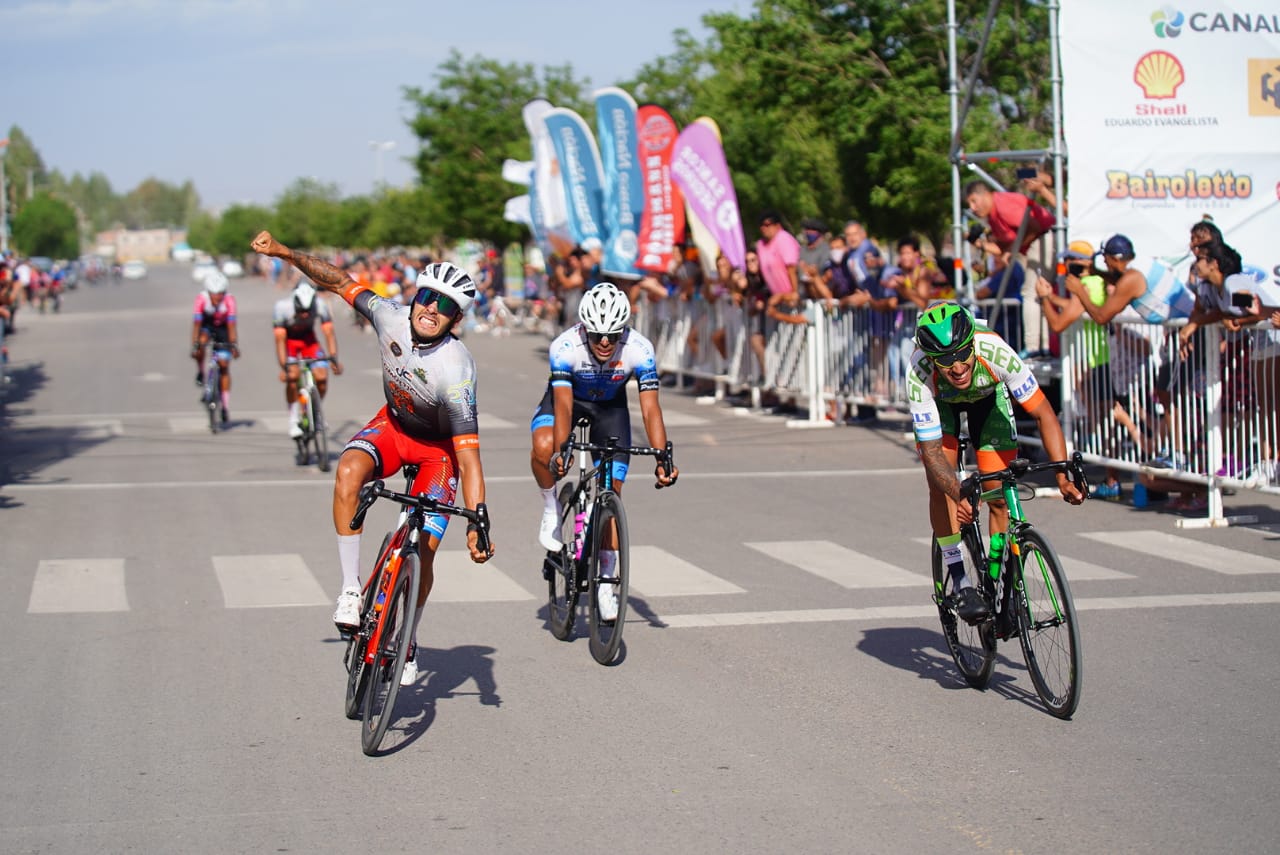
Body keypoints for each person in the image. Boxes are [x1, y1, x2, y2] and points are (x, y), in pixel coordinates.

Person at [250, 231, 494, 688]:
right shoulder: (389, 316)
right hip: (394, 429)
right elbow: (338, 280)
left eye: (444, 306)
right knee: (347, 471)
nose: (430, 309)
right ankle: (348, 590)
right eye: (426, 297)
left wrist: (478, 518)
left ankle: (409, 638)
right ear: (415, 295)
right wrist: (285, 252)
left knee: (424, 551)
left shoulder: (457, 370)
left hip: (438, 454)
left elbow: (469, 458)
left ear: (456, 318)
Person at [908, 302, 1084, 622]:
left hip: (988, 402)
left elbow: (1044, 413)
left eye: (962, 354)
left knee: (998, 492)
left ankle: (998, 578)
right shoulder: (919, 370)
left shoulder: (995, 352)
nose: (957, 366)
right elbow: (932, 453)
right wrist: (956, 491)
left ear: (973, 343)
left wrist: (1062, 476)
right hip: (942, 407)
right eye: (945, 361)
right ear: (931, 359)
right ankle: (960, 579)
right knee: (939, 484)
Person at [529, 283, 679, 621]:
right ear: (584, 327)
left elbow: (651, 409)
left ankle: (606, 584)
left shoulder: (640, 348)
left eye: (613, 334)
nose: (606, 342)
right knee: (544, 447)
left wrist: (662, 457)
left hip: (610, 411)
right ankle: (552, 508)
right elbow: (564, 407)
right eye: (597, 335)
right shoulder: (565, 347)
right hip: (567, 402)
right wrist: (562, 449)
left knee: (611, 493)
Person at [274, 279, 342, 444]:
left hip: (309, 341)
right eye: (301, 311)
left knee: (321, 378)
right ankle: (293, 419)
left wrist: (333, 357)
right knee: (292, 378)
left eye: (307, 311)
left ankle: (316, 412)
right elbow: (280, 340)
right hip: (290, 342)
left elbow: (329, 333)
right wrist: (284, 367)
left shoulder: (320, 305)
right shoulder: (282, 308)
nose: (305, 315)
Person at [190, 271, 239, 426]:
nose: (217, 297)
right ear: (208, 292)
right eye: (214, 294)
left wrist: (233, 344)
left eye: (220, 294)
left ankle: (224, 405)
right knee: (201, 344)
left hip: (223, 328)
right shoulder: (201, 299)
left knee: (224, 365)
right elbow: (197, 325)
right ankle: (201, 371)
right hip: (207, 325)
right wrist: (195, 345)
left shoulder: (230, 301)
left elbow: (232, 326)